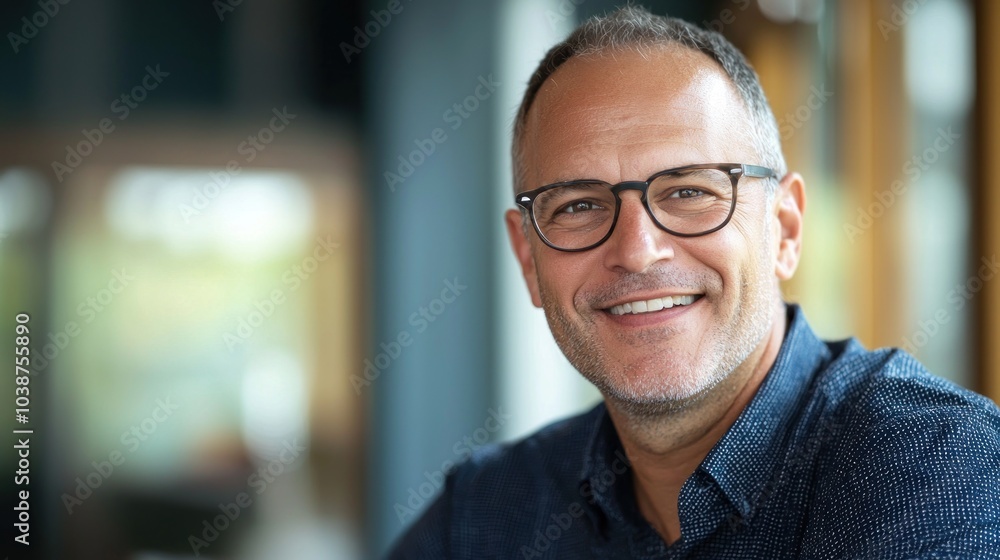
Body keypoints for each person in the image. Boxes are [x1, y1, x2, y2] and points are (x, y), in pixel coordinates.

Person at [388, 6, 1000, 559]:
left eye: (689, 192)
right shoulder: (487, 512)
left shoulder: (936, 465)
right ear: (528, 259)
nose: (636, 251)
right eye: (577, 205)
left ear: (784, 229)